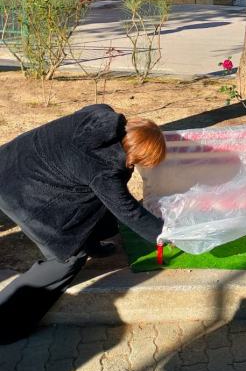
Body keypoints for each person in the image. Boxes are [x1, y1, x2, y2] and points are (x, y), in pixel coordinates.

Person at [0, 104, 166, 342]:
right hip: (23, 194)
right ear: (136, 155)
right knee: (66, 258)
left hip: (10, 160)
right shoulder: (104, 168)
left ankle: (91, 243)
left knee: (95, 199)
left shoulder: (102, 115)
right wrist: (162, 232)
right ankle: (6, 321)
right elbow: (128, 211)